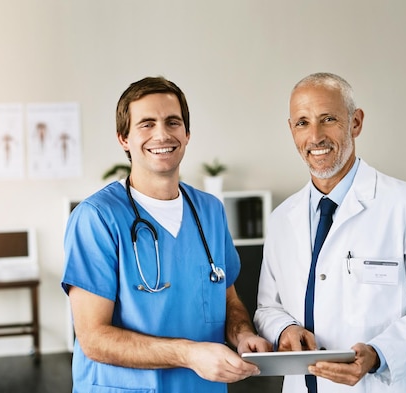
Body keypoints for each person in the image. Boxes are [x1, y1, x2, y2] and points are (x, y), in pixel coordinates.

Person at [254, 72, 406, 392]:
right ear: (291, 130)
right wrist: (284, 329)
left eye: (328, 119)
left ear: (356, 123)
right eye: (302, 123)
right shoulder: (282, 218)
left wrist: (379, 354)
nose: (315, 136)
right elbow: (268, 307)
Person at [62, 76, 271, 393]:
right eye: (146, 124)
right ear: (123, 138)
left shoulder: (210, 211)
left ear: (186, 134)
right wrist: (189, 354)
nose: (162, 134)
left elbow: (227, 298)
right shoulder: (97, 218)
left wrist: (242, 333)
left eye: (173, 122)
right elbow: (94, 338)